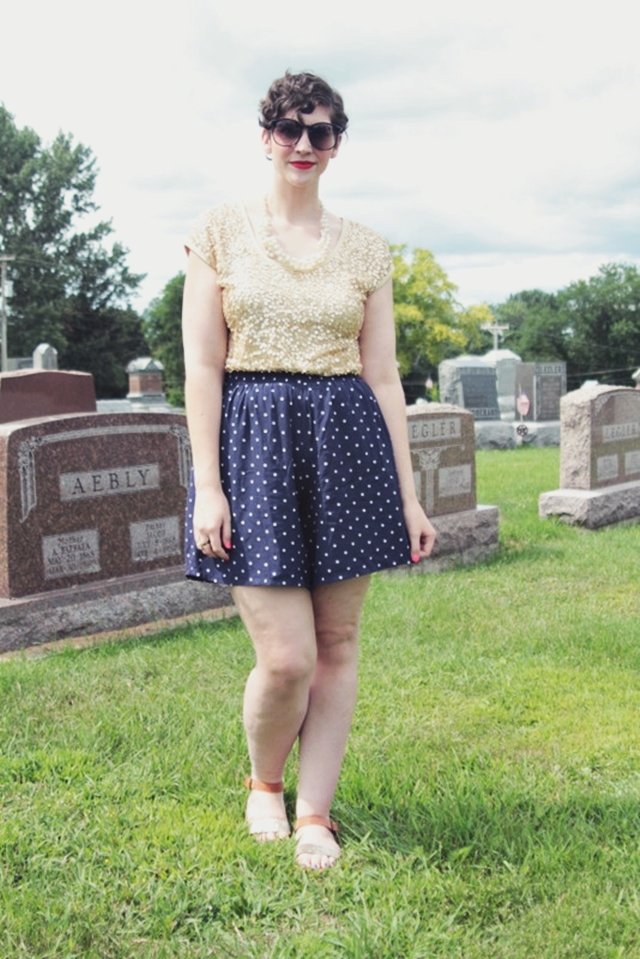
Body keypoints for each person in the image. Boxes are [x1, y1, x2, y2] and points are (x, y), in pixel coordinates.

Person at [182, 71, 436, 870]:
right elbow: (202, 366)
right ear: (266, 137)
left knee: (338, 641)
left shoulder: (366, 248)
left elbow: (384, 375)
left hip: (348, 446)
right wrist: (209, 485)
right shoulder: (218, 231)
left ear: (336, 144)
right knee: (287, 655)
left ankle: (315, 813)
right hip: (252, 447)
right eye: (290, 128)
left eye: (319, 131)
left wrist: (408, 496)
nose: (303, 143)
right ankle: (264, 781)